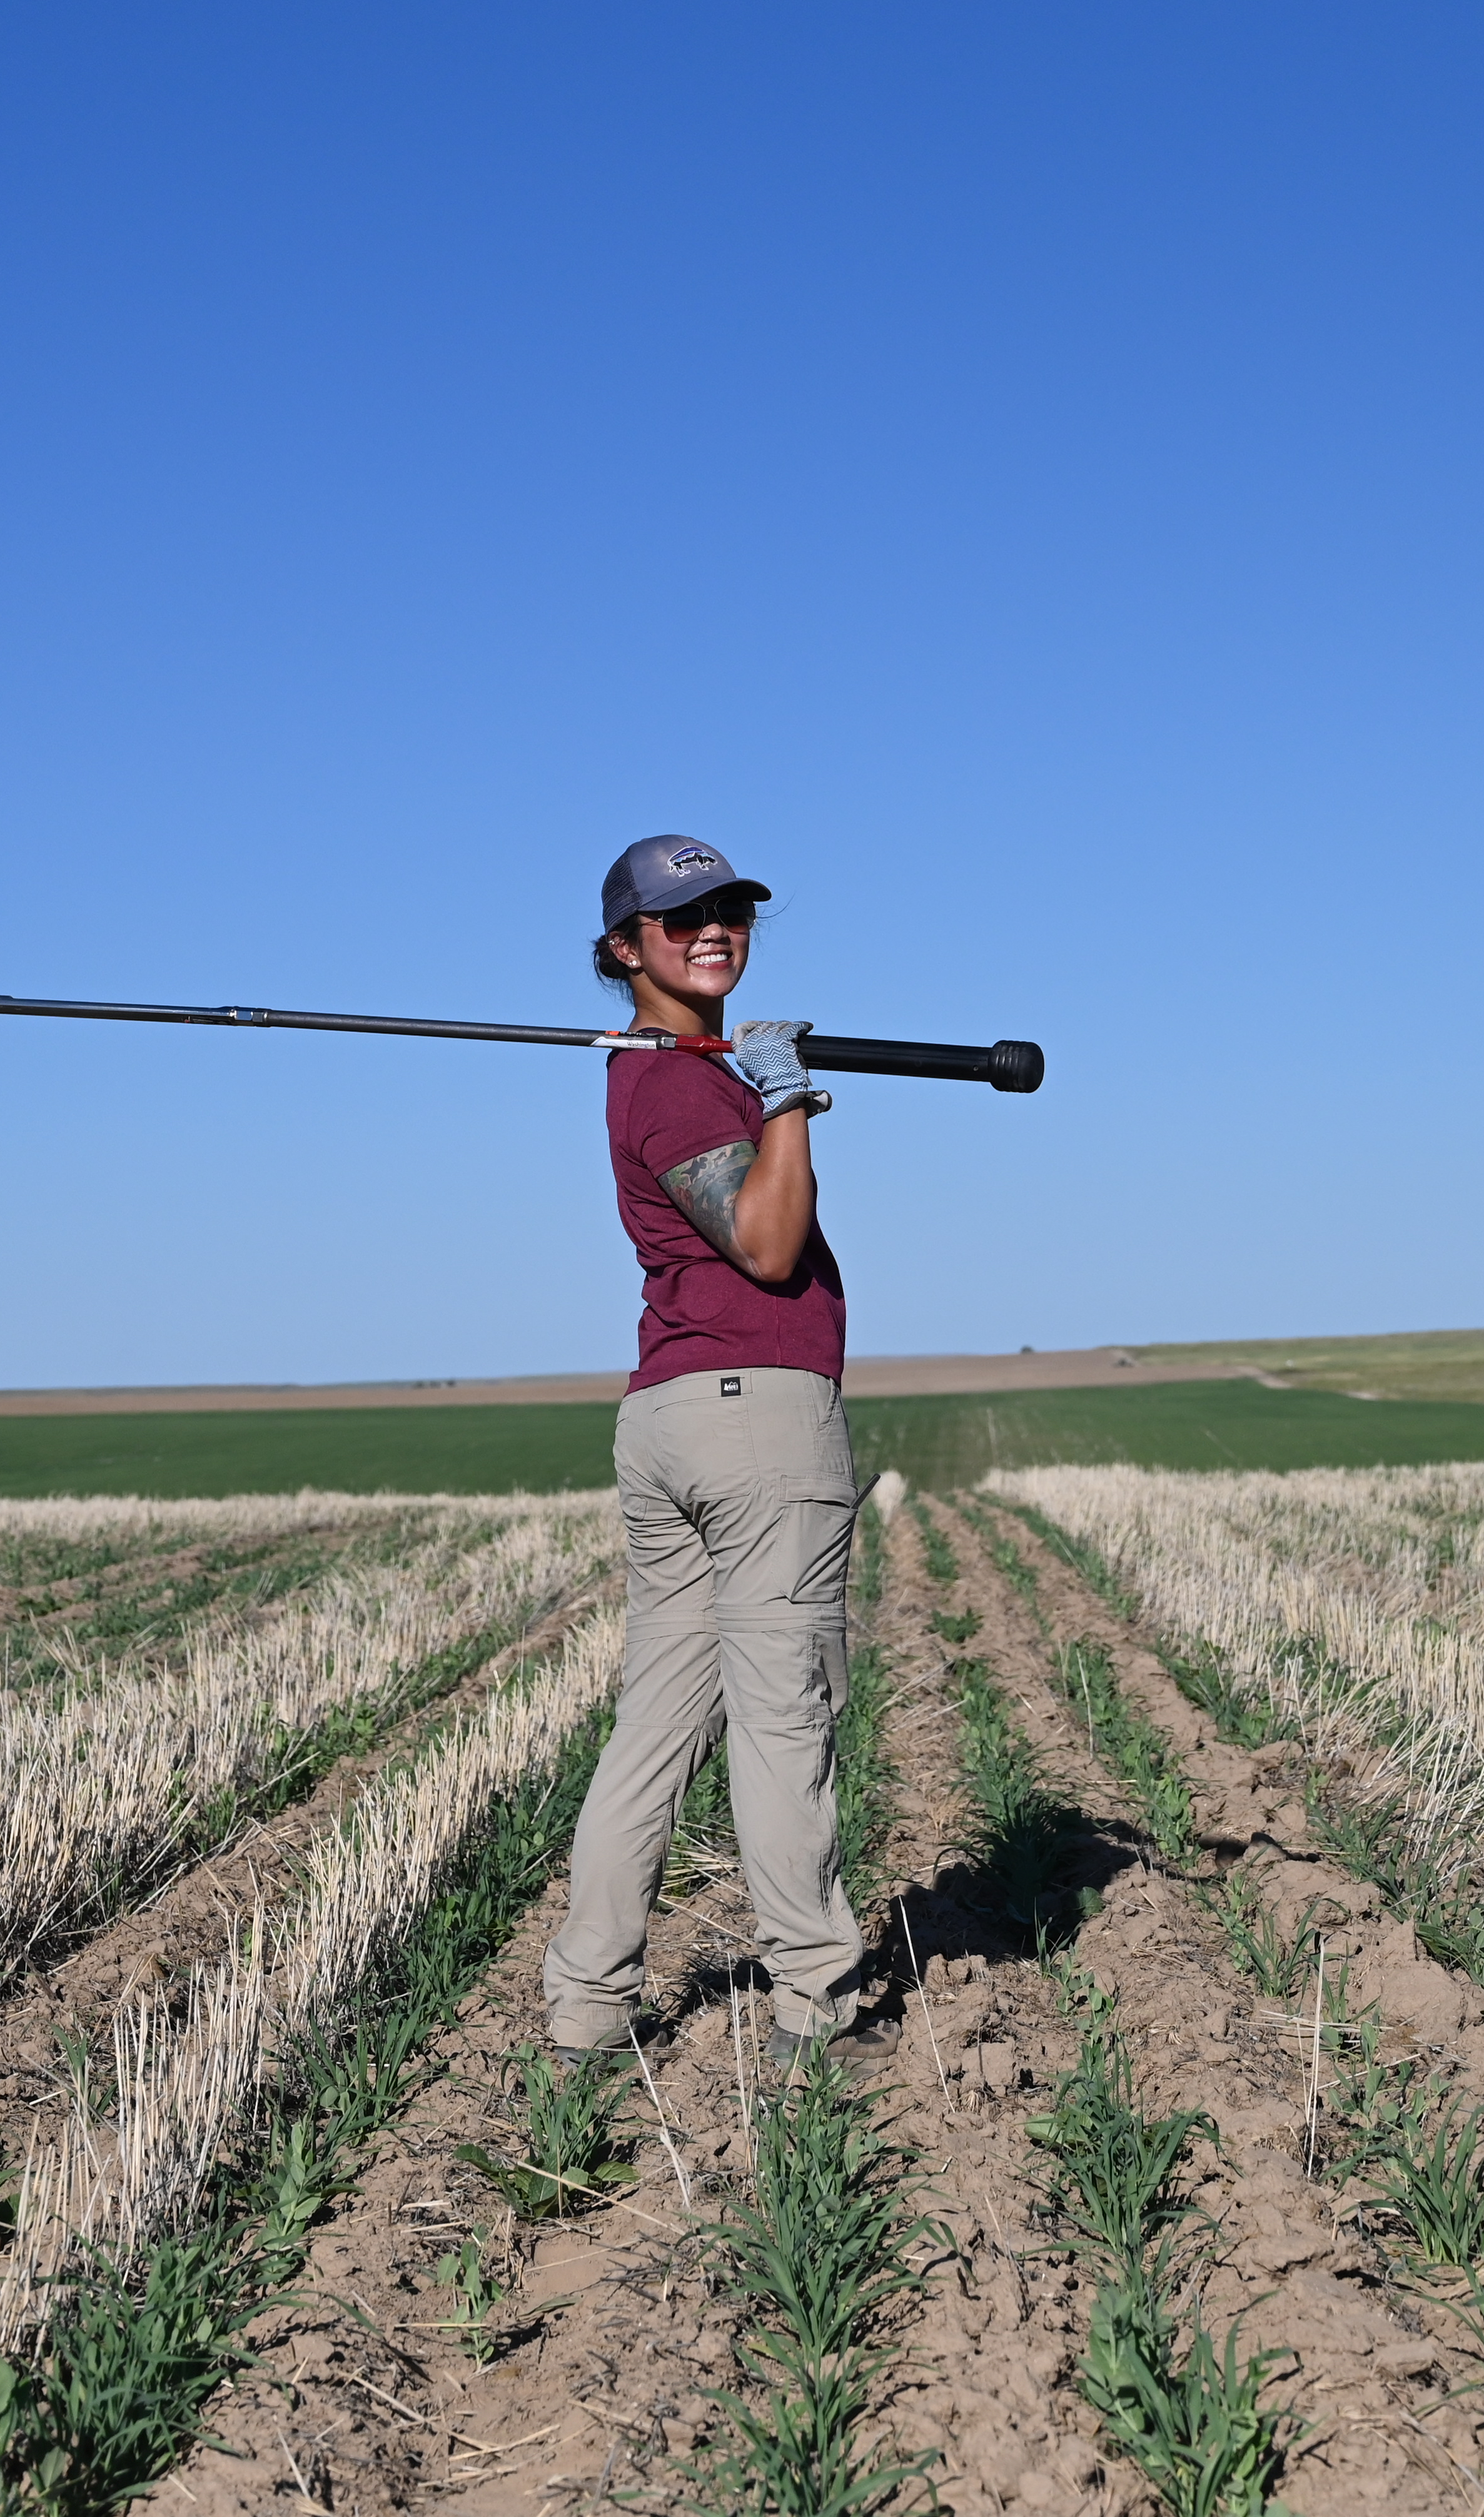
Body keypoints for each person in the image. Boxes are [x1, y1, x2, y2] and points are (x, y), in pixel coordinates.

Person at [541, 834, 881, 2068]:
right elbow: (771, 1242)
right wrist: (787, 1098)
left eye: (730, 908)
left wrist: (765, 1081)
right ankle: (811, 2007)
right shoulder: (678, 1084)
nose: (715, 928)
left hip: (671, 1416)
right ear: (626, 947)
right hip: (756, 1421)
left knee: (658, 1725)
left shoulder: (673, 1068)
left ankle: (585, 2007)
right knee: (785, 1716)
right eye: (681, 917)